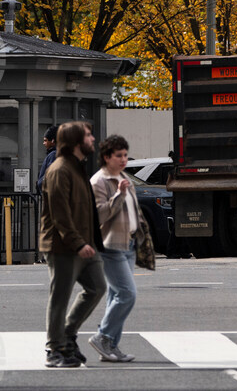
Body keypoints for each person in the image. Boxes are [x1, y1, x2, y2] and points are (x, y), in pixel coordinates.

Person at [39, 121, 106, 368]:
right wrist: (78, 243)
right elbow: (60, 215)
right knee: (60, 296)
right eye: (88, 136)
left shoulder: (77, 167)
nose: (93, 139)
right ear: (76, 142)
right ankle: (54, 349)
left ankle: (67, 335)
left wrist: (92, 241)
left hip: (84, 243)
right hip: (62, 246)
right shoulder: (59, 170)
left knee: (97, 287)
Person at [88, 135, 143, 363]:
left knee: (116, 295)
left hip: (128, 243)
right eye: (118, 155)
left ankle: (111, 346)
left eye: (125, 155)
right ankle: (102, 337)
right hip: (110, 245)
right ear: (106, 157)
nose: (123, 160)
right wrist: (119, 195)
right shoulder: (98, 181)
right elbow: (99, 214)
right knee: (127, 294)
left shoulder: (123, 178)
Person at [36, 125, 58, 194]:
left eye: (45, 140)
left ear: (52, 140)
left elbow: (50, 175)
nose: (44, 143)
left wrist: (40, 183)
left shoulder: (53, 155)